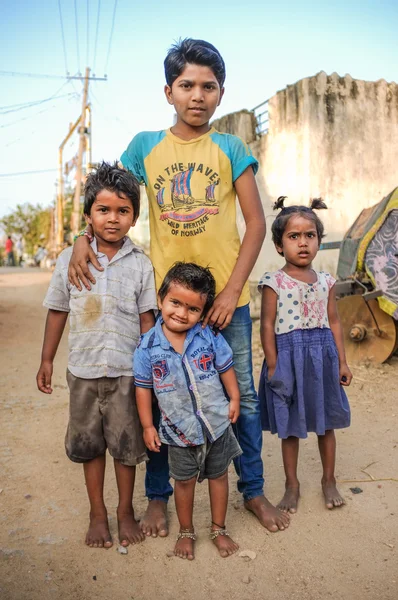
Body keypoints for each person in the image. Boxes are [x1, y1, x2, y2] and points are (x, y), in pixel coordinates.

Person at [68, 38, 290, 534]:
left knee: (243, 399)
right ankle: (156, 497)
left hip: (223, 304)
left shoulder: (231, 148)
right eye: (186, 85)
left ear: (221, 93)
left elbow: (255, 224)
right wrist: (83, 236)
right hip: (168, 306)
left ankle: (251, 491)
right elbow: (108, 194)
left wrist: (233, 292)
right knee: (167, 397)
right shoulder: (146, 147)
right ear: (168, 91)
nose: (197, 95)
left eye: (208, 87)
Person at [36, 162, 158, 549]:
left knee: (125, 447)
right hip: (84, 371)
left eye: (123, 211)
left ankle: (125, 511)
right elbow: (58, 309)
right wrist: (46, 360)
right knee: (90, 446)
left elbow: (147, 320)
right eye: (103, 210)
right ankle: (97, 513)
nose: (113, 218)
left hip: (126, 372)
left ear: (134, 217)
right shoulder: (70, 260)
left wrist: (154, 370)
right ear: (89, 215)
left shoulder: (140, 264)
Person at [134, 262, 242, 560]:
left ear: (202, 312)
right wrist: (147, 426)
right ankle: (186, 531)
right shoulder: (147, 347)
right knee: (183, 482)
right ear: (160, 300)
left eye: (192, 309)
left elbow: (226, 368)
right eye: (175, 303)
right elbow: (142, 389)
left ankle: (218, 529)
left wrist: (234, 398)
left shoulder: (208, 336)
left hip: (216, 423)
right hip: (177, 431)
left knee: (219, 476)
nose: (181, 313)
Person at [258, 196, 352, 514]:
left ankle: (329, 481)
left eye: (309, 235)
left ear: (318, 241)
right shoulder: (273, 282)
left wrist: (342, 361)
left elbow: (335, 322)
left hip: (321, 359)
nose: (302, 243)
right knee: (291, 427)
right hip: (288, 360)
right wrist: (273, 367)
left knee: (327, 424)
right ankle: (292, 486)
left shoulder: (326, 281)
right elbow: (267, 326)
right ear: (279, 245)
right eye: (293, 236)